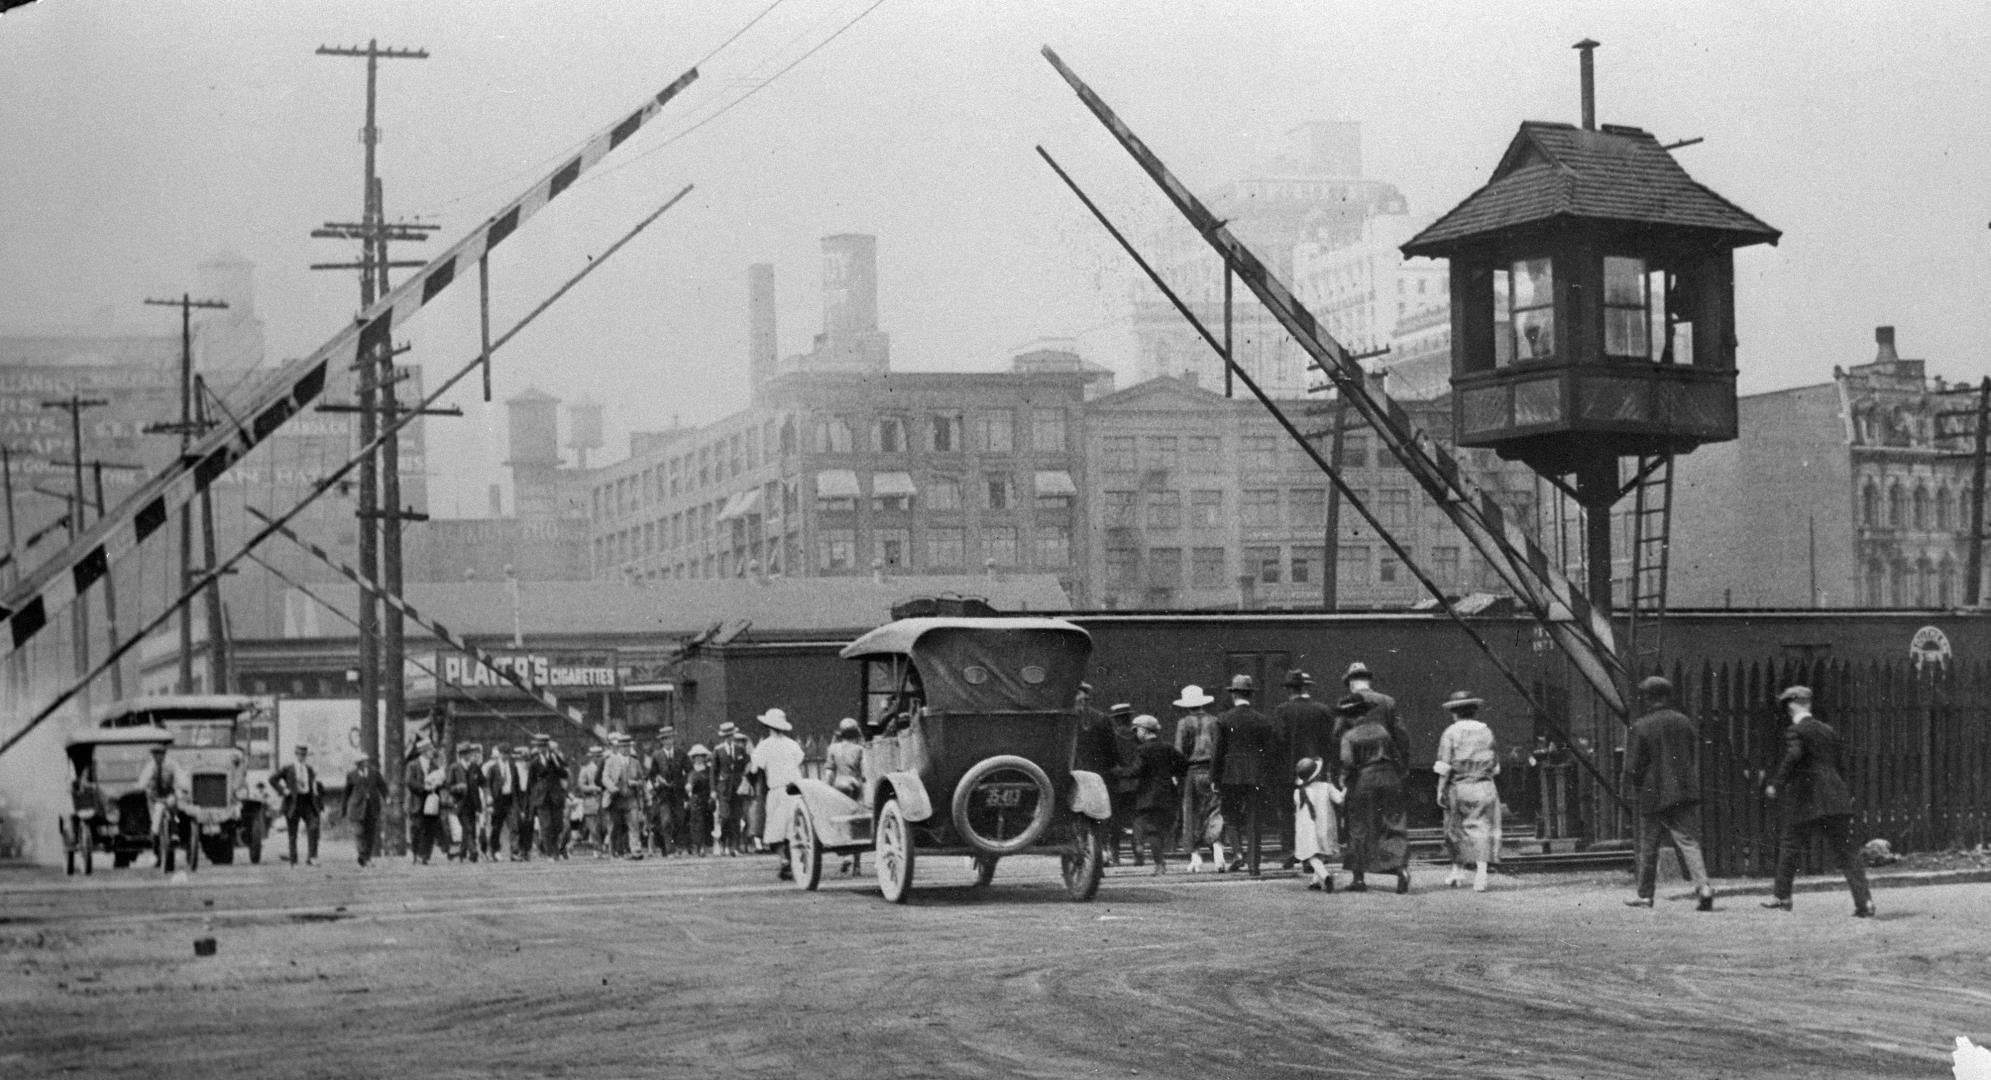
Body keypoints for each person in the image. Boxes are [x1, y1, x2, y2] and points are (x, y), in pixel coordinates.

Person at [1764, 685, 1875, 917]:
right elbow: (1841, 765)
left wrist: (1777, 783)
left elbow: (1794, 755)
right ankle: (1865, 902)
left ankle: (1782, 896)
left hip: (1807, 799)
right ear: (1809, 705)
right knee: (1847, 852)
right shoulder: (1828, 730)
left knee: (1790, 845)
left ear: (1792, 705)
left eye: (1786, 707)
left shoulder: (1796, 731)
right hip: (1835, 798)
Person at [1619, 677, 1715, 910]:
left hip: (1653, 793)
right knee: (1688, 841)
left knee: (1649, 845)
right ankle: (1704, 887)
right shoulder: (1684, 722)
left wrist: (1633, 784)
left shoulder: (1640, 726)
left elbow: (1632, 767)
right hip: (1681, 790)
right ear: (1667, 696)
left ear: (1649, 698)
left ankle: (1644, 896)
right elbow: (1691, 753)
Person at [1338, 693, 1411, 893]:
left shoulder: (1349, 736)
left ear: (1347, 715)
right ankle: (1400, 869)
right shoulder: (1381, 730)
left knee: (1359, 826)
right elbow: (1397, 757)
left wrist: (1343, 781)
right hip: (1390, 778)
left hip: (1365, 780)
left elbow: (1348, 763)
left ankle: (1358, 879)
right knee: (1393, 824)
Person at [1434, 691, 1503, 894]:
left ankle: (1458, 871)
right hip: (1485, 786)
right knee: (1482, 829)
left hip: (1459, 787)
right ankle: (1481, 875)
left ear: (1454, 713)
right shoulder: (1487, 731)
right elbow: (1496, 766)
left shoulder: (1450, 733)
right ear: (1474, 711)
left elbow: (1444, 766)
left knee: (1455, 828)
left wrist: (1439, 790)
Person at [1210, 674, 1275, 875]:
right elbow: (1269, 751)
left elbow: (1218, 751)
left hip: (1230, 776)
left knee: (1230, 816)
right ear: (1250, 695)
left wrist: (1214, 778)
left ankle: (1238, 854)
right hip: (1256, 776)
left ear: (1233, 695)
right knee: (1254, 819)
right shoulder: (1263, 721)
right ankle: (1254, 866)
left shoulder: (1223, 719)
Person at [1112, 715, 1187, 874]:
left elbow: (1136, 770)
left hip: (1147, 795)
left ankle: (1139, 847)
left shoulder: (1143, 749)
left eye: (1137, 730)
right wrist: (1171, 773)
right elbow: (1183, 764)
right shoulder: (1168, 747)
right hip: (1166, 795)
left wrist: (1117, 772)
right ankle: (1158, 863)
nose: (1136, 734)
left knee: (1140, 821)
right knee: (1156, 829)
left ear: (1144, 731)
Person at [1273, 671, 1331, 866]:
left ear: (1289, 689)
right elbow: (1328, 743)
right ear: (1305, 687)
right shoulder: (1322, 710)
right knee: (1312, 813)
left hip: (1288, 771)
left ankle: (1291, 850)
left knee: (1288, 813)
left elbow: (1278, 742)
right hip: (1315, 770)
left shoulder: (1282, 710)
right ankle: (1311, 856)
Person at [747, 708, 806, 881]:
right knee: (793, 827)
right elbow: (799, 763)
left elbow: (754, 768)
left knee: (775, 829)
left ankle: (785, 860)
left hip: (778, 790)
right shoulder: (792, 744)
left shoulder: (765, 745)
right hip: (796, 789)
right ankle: (794, 861)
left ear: (768, 726)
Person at [1171, 685, 1223, 871]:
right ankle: (1218, 852)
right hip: (1212, 771)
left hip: (1191, 772)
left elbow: (1178, 752)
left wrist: (1176, 775)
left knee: (1191, 814)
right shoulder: (1214, 721)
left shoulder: (1184, 723)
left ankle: (1196, 858)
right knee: (1214, 810)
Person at [1292, 756, 1344, 892]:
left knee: (1311, 856)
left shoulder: (1298, 792)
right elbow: (1339, 800)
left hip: (1307, 830)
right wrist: (1345, 788)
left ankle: (1324, 877)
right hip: (1325, 826)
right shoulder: (1326, 787)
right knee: (1319, 855)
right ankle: (1317, 880)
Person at [271, 744, 324, 867]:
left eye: (304, 754)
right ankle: (293, 861)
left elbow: (314, 787)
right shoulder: (288, 768)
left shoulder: (309, 769)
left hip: (306, 802)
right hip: (293, 803)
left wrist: (316, 792)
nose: (301, 757)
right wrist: (283, 790)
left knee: (313, 827)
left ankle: (311, 857)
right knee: (292, 834)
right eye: (299, 754)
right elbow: (272, 779)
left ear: (306, 756)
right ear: (295, 754)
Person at [825, 717, 866, 875]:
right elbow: (864, 774)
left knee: (842, 821)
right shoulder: (859, 750)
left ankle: (846, 856)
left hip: (839, 785)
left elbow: (829, 772)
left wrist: (826, 789)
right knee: (857, 824)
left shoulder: (833, 748)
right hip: (855, 785)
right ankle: (856, 866)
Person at [134, 742, 182, 869]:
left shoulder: (171, 765)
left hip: (168, 796)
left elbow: (180, 776)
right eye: (155, 754)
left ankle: (174, 833)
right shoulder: (150, 767)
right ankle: (155, 851)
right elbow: (143, 780)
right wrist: (140, 786)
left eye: (160, 754)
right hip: (154, 799)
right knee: (155, 824)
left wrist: (183, 786)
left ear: (164, 754)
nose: (158, 757)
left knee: (173, 806)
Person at [1106, 703, 1143, 866]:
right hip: (1136, 783)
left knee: (1115, 821)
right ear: (1129, 718)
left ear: (1115, 719)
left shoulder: (1111, 736)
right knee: (1136, 820)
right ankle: (1138, 855)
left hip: (1117, 783)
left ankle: (1115, 856)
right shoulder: (1137, 737)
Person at [341, 753, 389, 867]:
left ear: (366, 762)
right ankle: (363, 855)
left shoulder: (374, 773)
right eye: (358, 763)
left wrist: (387, 797)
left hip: (371, 808)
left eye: (363, 762)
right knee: (358, 832)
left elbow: (382, 786)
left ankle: (366, 858)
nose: (361, 765)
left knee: (370, 834)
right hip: (356, 808)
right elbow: (346, 793)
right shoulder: (351, 775)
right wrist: (343, 809)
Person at [711, 722, 751, 856]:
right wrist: (713, 790)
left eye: (731, 735)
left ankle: (735, 847)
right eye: (727, 736)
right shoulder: (718, 751)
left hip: (737, 788)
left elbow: (748, 764)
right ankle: (723, 842)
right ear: (723, 737)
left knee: (736, 818)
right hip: (723, 788)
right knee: (725, 817)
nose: (729, 738)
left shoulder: (740, 749)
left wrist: (745, 776)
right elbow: (713, 772)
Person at [529, 734, 569, 860]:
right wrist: (536, 796)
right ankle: (550, 852)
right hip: (542, 798)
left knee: (558, 825)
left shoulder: (555, 758)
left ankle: (555, 848)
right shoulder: (534, 763)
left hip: (556, 796)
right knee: (546, 826)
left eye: (544, 746)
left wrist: (556, 762)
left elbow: (564, 774)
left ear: (548, 747)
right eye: (539, 746)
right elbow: (531, 782)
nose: (542, 749)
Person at [601, 733, 642, 859]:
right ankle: (614, 851)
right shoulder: (611, 761)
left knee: (634, 823)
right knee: (616, 826)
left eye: (627, 746)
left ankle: (635, 850)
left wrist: (636, 783)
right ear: (618, 748)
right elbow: (605, 777)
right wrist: (612, 788)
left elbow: (642, 779)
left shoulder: (635, 762)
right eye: (623, 746)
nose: (625, 749)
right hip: (616, 798)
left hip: (631, 798)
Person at [406, 740, 442, 865]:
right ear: (423, 751)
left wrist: (438, 783)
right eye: (430, 750)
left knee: (430, 828)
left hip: (431, 802)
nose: (432, 752)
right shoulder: (413, 765)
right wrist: (423, 787)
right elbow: (410, 782)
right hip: (417, 802)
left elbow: (440, 779)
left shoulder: (435, 765)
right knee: (416, 828)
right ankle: (416, 852)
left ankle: (425, 855)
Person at [505, 746, 537, 860]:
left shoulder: (531, 771)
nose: (526, 763)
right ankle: (515, 851)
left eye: (528, 761)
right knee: (516, 826)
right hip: (517, 799)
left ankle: (526, 850)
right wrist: (518, 807)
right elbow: (513, 789)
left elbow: (532, 788)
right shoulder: (515, 769)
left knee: (528, 826)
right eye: (524, 760)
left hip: (528, 799)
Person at [576, 745, 606, 858]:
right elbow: (581, 786)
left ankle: (601, 847)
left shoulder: (605, 768)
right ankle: (597, 849)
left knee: (603, 827)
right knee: (594, 829)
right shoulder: (586, 769)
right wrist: (593, 788)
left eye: (599, 756)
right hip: (591, 801)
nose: (597, 758)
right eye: (595, 756)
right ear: (591, 757)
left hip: (603, 801)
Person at [685, 744, 715, 857]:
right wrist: (688, 789)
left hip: (707, 800)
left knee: (707, 823)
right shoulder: (691, 771)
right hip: (695, 800)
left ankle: (706, 846)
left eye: (701, 756)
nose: (699, 758)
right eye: (696, 756)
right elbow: (689, 783)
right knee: (697, 824)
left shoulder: (709, 770)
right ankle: (699, 846)